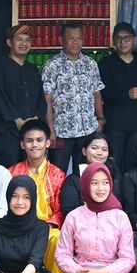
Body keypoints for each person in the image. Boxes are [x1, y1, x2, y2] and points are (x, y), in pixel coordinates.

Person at [56, 162, 137, 273]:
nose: (101, 188)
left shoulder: (120, 217)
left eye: (105, 183)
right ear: (85, 185)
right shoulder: (74, 217)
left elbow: (127, 258)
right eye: (94, 183)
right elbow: (62, 254)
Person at [43, 22, 104, 172]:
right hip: (61, 131)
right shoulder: (52, 65)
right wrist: (50, 129)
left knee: (84, 173)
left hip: (88, 129)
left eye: (79, 38)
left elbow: (97, 92)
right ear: (61, 40)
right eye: (71, 38)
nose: (76, 42)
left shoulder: (91, 64)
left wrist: (101, 119)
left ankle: (80, 197)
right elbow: (47, 99)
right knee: (58, 172)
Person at [9, 119, 66, 273]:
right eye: (30, 140)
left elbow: (60, 210)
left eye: (39, 140)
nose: (35, 145)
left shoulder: (58, 174)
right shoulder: (12, 173)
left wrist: (47, 226)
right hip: (19, 226)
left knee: (57, 237)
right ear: (22, 145)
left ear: (47, 143)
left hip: (47, 228)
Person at [0, 24, 45, 166]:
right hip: (6, 133)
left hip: (30, 134)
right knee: (6, 174)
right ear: (9, 43)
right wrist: (17, 120)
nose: (24, 44)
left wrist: (35, 119)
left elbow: (41, 99)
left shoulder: (33, 69)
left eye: (27, 40)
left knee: (29, 173)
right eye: (19, 39)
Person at [100, 21, 137, 167]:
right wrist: (126, 94)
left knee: (136, 164)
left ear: (135, 40)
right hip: (115, 124)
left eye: (127, 38)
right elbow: (102, 93)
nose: (123, 42)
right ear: (113, 41)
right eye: (119, 38)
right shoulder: (106, 64)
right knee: (115, 165)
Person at [60, 132, 115, 216]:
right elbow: (68, 211)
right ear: (84, 151)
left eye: (104, 150)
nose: (99, 153)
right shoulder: (73, 180)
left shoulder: (114, 177)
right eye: (94, 148)